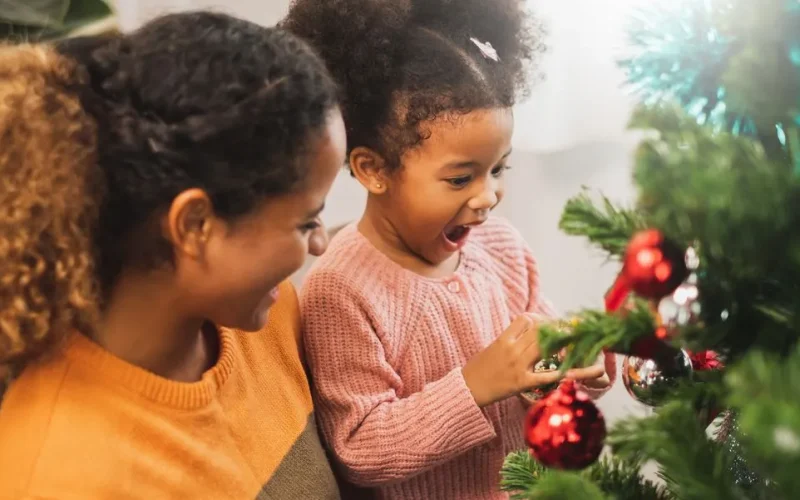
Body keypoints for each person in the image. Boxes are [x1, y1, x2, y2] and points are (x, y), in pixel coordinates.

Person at [0, 12, 346, 499]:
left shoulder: (270, 318)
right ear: (195, 225)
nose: (320, 244)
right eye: (306, 221)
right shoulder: (55, 473)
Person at [284, 1, 617, 498]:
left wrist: (584, 354)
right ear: (374, 169)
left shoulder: (502, 249)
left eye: (499, 169)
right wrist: (475, 385)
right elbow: (358, 448)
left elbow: (545, 369)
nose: (488, 197)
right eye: (461, 177)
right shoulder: (340, 290)